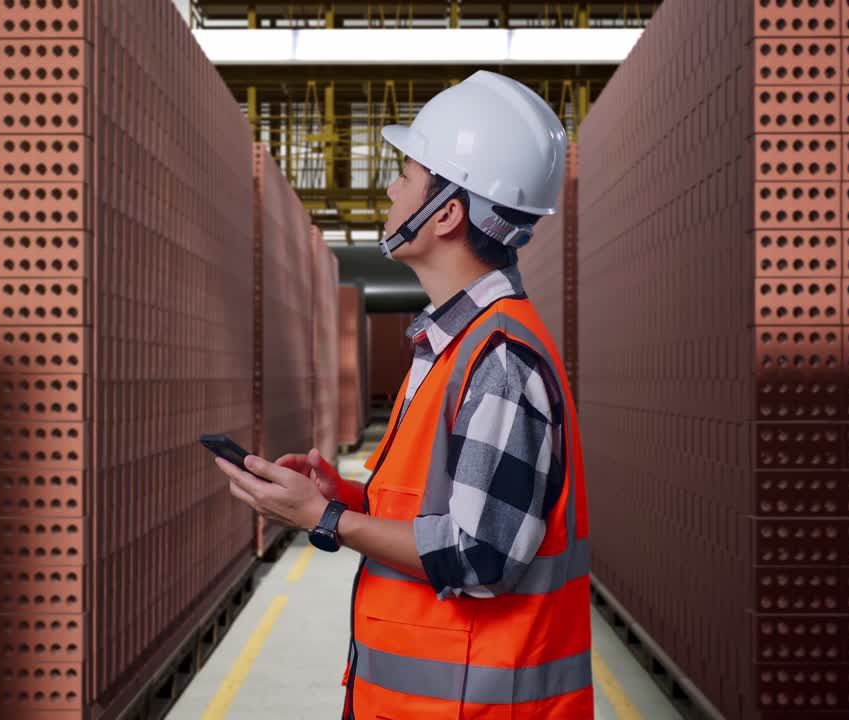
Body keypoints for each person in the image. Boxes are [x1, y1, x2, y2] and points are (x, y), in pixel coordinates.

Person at [213, 69, 592, 719]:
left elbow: (481, 556)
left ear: (447, 212)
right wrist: (346, 496)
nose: (392, 186)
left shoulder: (498, 361)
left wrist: (323, 519)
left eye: (408, 173)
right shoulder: (453, 345)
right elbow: (443, 511)